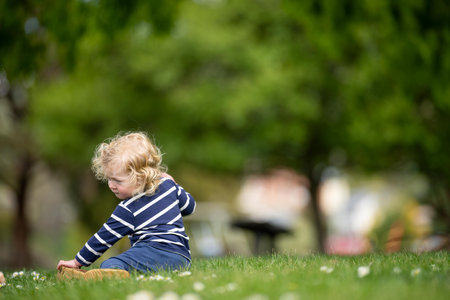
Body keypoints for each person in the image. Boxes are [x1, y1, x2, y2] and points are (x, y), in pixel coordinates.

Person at [56, 131, 196, 276]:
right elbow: (189, 208)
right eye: (109, 179)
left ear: (140, 178)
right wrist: (175, 185)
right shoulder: (167, 185)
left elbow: (103, 238)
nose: (111, 185)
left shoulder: (128, 208)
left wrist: (78, 261)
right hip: (182, 258)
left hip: (153, 253)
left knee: (110, 264)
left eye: (117, 181)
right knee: (129, 260)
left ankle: (103, 276)